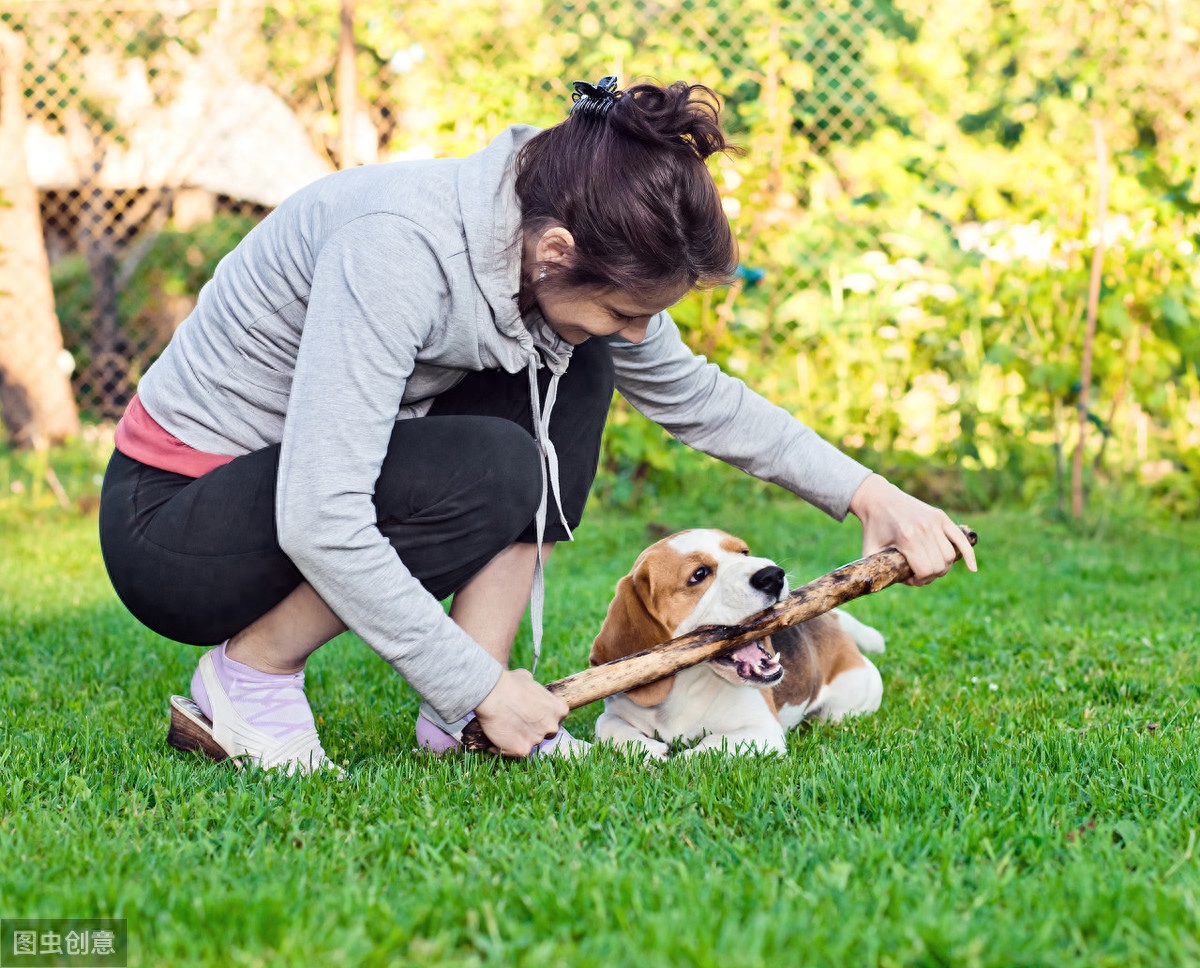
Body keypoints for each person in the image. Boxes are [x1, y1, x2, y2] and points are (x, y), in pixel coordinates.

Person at [98, 76, 977, 774]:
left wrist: (868, 494)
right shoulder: (396, 249)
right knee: (494, 459)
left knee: (582, 357)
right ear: (557, 251)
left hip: (285, 487)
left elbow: (696, 394)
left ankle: (459, 725)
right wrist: (478, 684)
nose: (644, 334)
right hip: (177, 519)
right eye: (630, 309)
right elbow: (321, 515)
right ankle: (251, 679)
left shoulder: (546, 253)